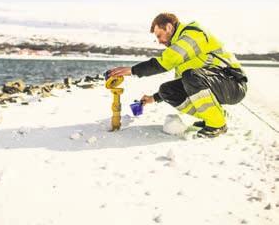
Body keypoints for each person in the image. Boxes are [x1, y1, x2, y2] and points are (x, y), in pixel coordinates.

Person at [106, 13, 248, 138]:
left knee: (191, 76)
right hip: (215, 82)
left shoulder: (192, 34)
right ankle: (213, 116)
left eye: (159, 35)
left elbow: (166, 61)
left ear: (168, 27)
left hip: (233, 83)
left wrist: (132, 70)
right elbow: (183, 85)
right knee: (168, 90)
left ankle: (217, 123)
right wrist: (153, 98)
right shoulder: (181, 49)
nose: (159, 41)